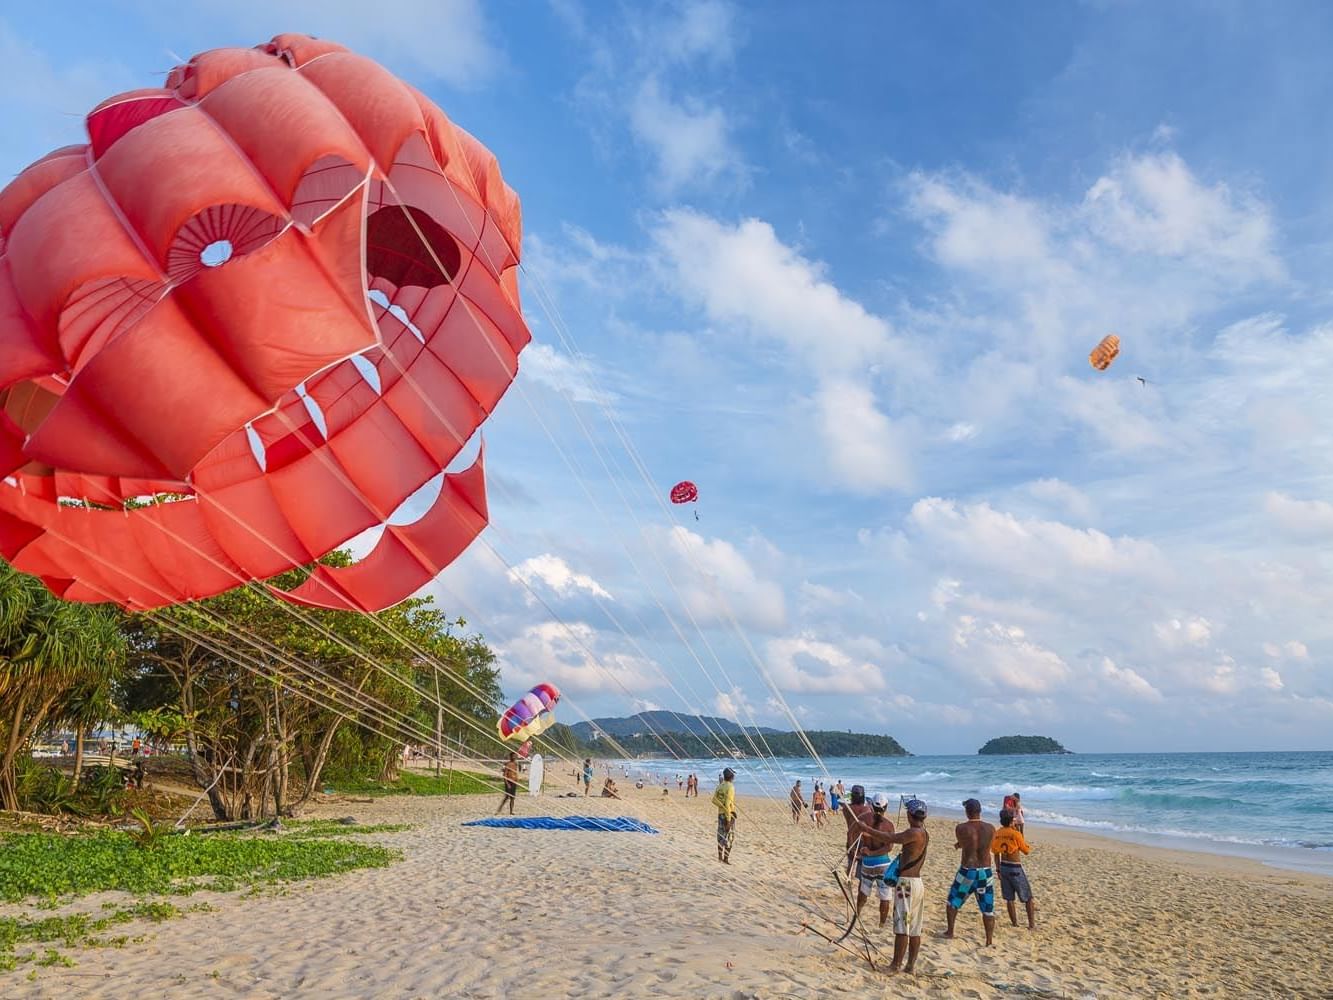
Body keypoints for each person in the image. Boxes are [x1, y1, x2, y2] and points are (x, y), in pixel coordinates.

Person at [843, 797, 930, 973]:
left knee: (902, 927)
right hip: (917, 884)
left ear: (910, 815)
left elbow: (890, 837)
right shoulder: (924, 832)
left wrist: (866, 829)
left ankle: (895, 965)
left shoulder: (914, 832)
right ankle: (910, 966)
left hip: (907, 885)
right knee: (914, 928)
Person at [945, 798, 996, 945]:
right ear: (980, 811)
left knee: (953, 901)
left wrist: (958, 845)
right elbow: (983, 845)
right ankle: (988, 940)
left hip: (968, 871)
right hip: (985, 871)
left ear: (967, 812)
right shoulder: (991, 828)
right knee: (987, 908)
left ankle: (950, 932)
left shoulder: (961, 828)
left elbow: (966, 843)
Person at [842, 792, 896, 928]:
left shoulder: (864, 818)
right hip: (883, 863)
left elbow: (850, 832)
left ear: (871, 805)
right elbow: (889, 848)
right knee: (885, 896)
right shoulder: (889, 825)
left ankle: (857, 915)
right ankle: (882, 923)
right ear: (886, 808)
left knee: (863, 892)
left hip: (867, 863)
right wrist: (872, 853)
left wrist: (853, 849)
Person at [992, 807, 1036, 929]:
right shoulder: (1015, 834)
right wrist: (1018, 833)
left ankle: (1014, 923)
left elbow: (996, 854)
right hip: (1015, 868)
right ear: (1011, 821)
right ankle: (1031, 925)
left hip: (1003, 867)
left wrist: (998, 869)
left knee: (1009, 898)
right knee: (1028, 897)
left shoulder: (997, 833)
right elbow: (1026, 850)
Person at [843, 784, 873, 875]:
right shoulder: (867, 809)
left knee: (850, 865)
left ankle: (848, 881)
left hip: (851, 838)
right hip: (862, 840)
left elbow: (845, 803)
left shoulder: (846, 808)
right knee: (860, 868)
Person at [712, 767, 737, 863]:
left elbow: (714, 800)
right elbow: (727, 803)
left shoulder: (720, 786)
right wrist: (729, 819)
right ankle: (726, 859)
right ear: (731, 776)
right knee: (729, 837)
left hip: (720, 814)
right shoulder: (730, 787)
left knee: (720, 835)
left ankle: (720, 857)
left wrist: (721, 805)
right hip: (728, 814)